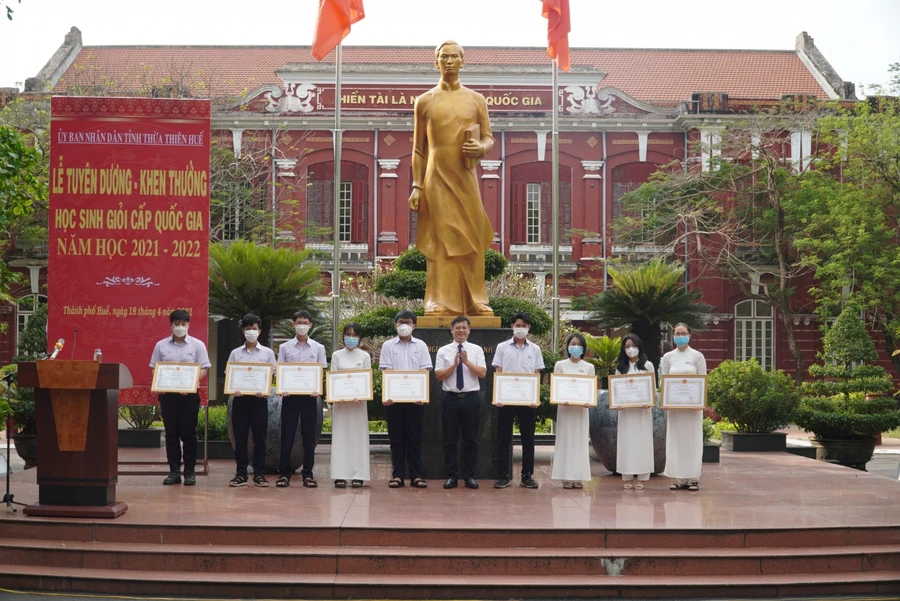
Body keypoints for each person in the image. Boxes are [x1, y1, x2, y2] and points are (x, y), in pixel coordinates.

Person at [409, 40, 495, 317]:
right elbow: (419, 149)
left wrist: (480, 148)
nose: (449, 61)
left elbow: (489, 138)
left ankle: (477, 300)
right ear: (436, 62)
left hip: (466, 179)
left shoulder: (476, 99)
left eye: (454, 57)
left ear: (462, 61)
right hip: (436, 180)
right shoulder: (424, 101)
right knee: (441, 240)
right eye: (443, 57)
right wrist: (416, 186)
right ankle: (438, 300)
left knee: (471, 236)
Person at [149, 309, 211, 486]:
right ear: (171, 325)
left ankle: (190, 472)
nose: (180, 327)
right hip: (168, 396)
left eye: (184, 324)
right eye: (177, 324)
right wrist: (162, 383)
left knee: (189, 434)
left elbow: (204, 369)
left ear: (188, 325)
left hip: (189, 395)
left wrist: (189, 384)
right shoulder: (160, 345)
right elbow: (154, 368)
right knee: (171, 435)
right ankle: (174, 472)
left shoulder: (197, 345)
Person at [379, 310, 433, 488]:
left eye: (408, 322)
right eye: (401, 322)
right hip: (393, 400)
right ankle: (398, 475)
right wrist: (388, 395)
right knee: (396, 439)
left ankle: (416, 475)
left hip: (415, 400)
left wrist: (421, 395)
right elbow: (386, 371)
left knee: (414, 438)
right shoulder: (388, 346)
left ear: (414, 325)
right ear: (395, 325)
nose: (404, 325)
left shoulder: (421, 345)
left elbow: (425, 371)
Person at [492, 312, 545, 489]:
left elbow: (537, 374)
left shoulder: (535, 349)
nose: (520, 328)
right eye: (517, 325)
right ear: (512, 326)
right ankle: (503, 475)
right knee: (503, 437)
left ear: (528, 327)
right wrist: (498, 396)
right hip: (505, 400)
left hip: (527, 401)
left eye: (524, 325)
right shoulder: (502, 347)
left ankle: (527, 475)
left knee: (528, 438)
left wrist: (534, 398)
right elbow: (498, 371)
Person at [276, 310, 327, 488]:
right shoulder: (284, 348)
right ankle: (284, 474)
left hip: (310, 398)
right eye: (299, 322)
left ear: (311, 325)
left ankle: (308, 474)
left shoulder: (318, 348)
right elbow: (280, 371)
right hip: (290, 398)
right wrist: (283, 388)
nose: (302, 325)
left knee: (309, 436)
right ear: (293, 325)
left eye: (305, 322)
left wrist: (317, 389)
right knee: (287, 435)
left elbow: (320, 373)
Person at [435, 316, 487, 490]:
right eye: (457, 327)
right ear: (451, 330)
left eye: (464, 328)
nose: (461, 331)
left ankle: (469, 476)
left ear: (469, 330)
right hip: (450, 398)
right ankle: (452, 476)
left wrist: (466, 362)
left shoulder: (477, 350)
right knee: (450, 439)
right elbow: (438, 376)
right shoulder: (443, 351)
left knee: (471, 439)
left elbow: (482, 373)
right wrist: (454, 365)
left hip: (471, 398)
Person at [227, 313, 276, 488]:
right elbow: (230, 377)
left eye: (254, 329)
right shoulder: (235, 353)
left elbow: (272, 375)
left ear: (259, 331)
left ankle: (259, 475)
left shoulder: (268, 353)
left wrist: (263, 389)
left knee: (260, 438)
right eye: (248, 329)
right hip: (240, 401)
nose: (251, 332)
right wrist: (234, 389)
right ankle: (240, 474)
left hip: (259, 401)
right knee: (240, 438)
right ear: (243, 331)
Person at [661, 323, 707, 491]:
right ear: (673, 336)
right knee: (677, 441)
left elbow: (703, 379)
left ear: (690, 335)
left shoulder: (697, 356)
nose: (680, 336)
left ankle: (693, 478)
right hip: (675, 409)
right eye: (677, 333)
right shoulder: (668, 357)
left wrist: (700, 402)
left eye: (683, 333)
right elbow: (664, 380)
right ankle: (680, 479)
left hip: (692, 409)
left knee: (692, 441)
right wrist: (665, 401)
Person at [329, 322, 372, 489]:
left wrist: (362, 395)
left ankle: (358, 475)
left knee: (358, 437)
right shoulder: (336, 355)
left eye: (354, 335)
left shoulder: (365, 356)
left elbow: (367, 380)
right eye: (348, 335)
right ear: (343, 337)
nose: (351, 338)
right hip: (341, 405)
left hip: (358, 405)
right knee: (341, 437)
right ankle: (339, 474)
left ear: (359, 338)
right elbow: (332, 378)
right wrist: (335, 396)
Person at [551, 332, 595, 489]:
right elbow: (556, 388)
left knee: (580, 441)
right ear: (568, 347)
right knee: (566, 440)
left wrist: (588, 401)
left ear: (583, 348)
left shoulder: (589, 367)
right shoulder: (560, 365)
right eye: (572, 344)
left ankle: (579, 477)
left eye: (579, 344)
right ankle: (566, 477)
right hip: (565, 409)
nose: (575, 347)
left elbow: (590, 390)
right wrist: (562, 398)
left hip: (581, 411)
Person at [614, 334, 655, 491]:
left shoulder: (648, 366)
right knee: (627, 442)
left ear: (639, 346)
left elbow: (652, 387)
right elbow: (616, 390)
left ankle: (642, 477)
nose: (630, 349)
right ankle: (627, 476)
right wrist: (617, 403)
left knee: (642, 442)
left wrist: (648, 401)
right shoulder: (621, 368)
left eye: (633, 345)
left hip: (643, 412)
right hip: (626, 412)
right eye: (627, 346)